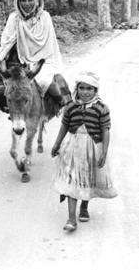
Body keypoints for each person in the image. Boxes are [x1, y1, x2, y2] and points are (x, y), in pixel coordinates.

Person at [51, 71, 117, 232]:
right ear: (77, 89)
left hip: (93, 147)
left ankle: (84, 207)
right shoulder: (71, 107)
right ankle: (71, 219)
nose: (85, 92)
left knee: (88, 178)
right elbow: (65, 126)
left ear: (96, 91)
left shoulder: (102, 108)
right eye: (82, 88)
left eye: (90, 89)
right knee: (72, 181)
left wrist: (104, 152)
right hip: (73, 147)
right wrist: (56, 144)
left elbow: (105, 130)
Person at [0, 0, 70, 113]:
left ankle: (59, 105)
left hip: (41, 60)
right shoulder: (13, 18)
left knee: (46, 83)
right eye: (23, 0)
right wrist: (2, 62)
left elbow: (46, 45)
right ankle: (12, 109)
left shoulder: (45, 17)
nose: (26, 3)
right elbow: (6, 43)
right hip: (16, 62)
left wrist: (33, 63)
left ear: (37, 0)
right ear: (18, 1)